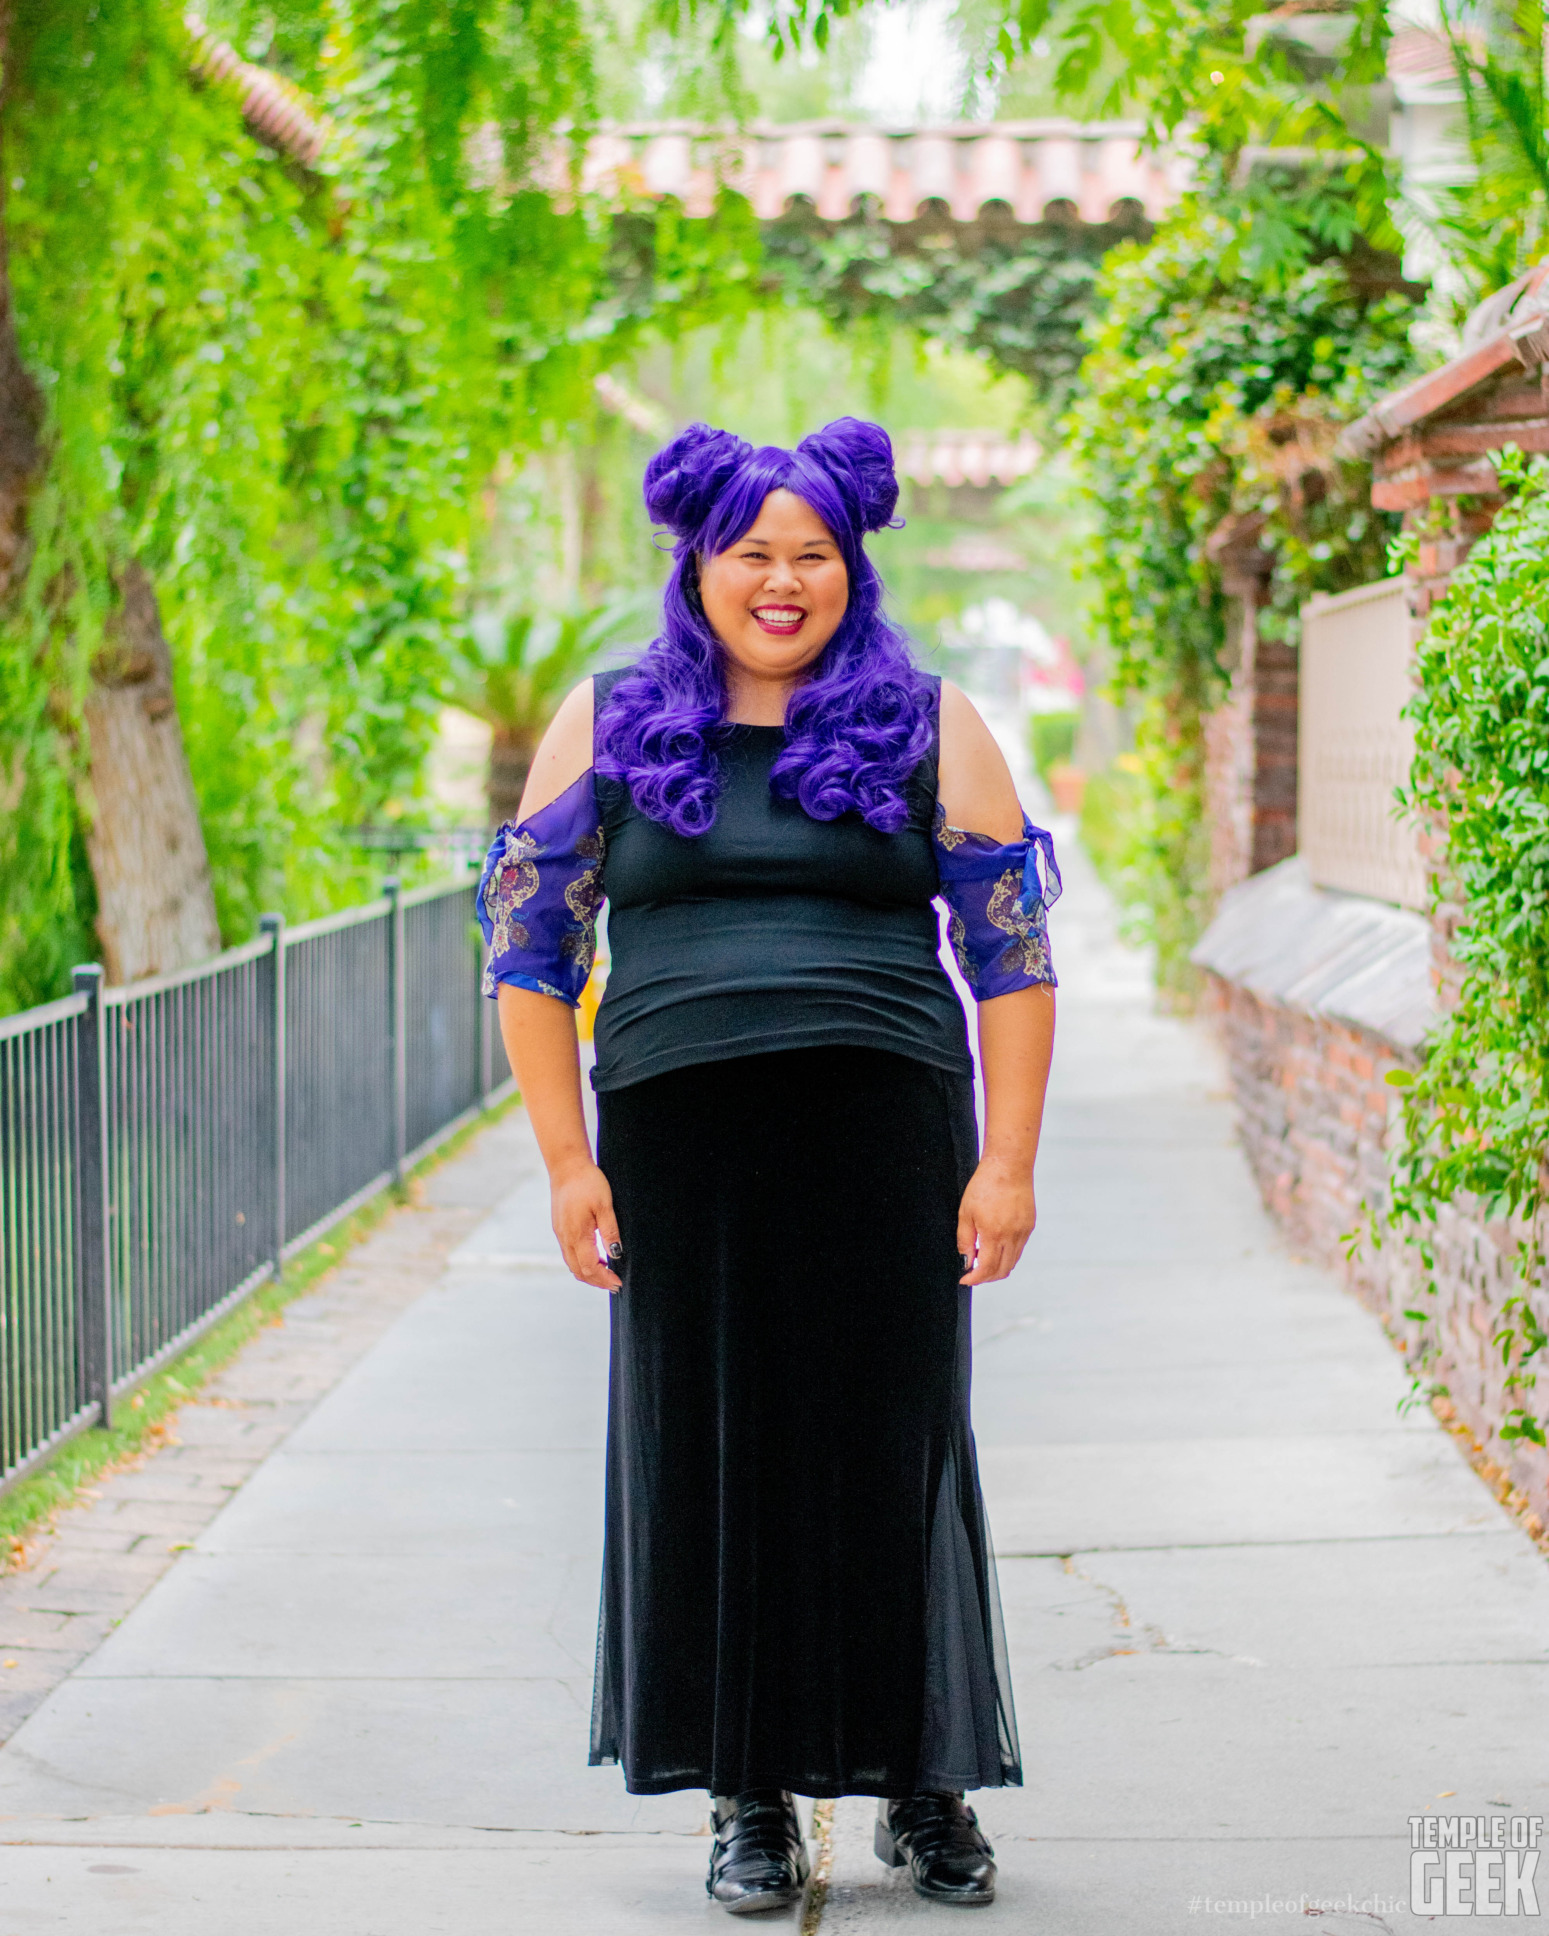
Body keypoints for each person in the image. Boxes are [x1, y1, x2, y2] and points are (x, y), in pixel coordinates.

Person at [478, 418, 1059, 1915]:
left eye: (811, 555)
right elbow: (531, 955)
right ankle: (745, 1794)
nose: (782, 582)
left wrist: (1006, 1167)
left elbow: (1010, 966)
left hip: (888, 1133)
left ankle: (918, 1783)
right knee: (712, 1451)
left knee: (892, 1446)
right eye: (753, 554)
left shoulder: (935, 723)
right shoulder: (608, 722)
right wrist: (562, 1163)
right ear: (699, 564)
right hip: (683, 1140)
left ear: (851, 568)